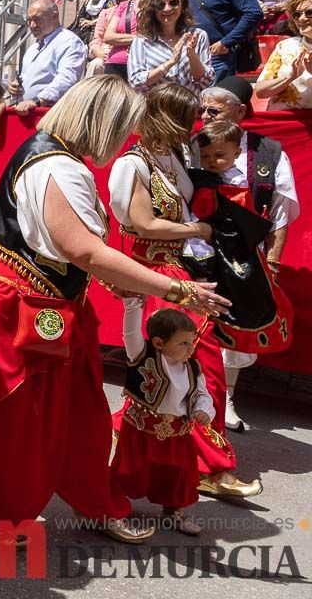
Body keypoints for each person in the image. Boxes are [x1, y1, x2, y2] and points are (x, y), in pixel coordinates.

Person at [0, 76, 227, 543]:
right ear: (103, 123)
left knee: (77, 408)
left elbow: (75, 252)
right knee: (17, 412)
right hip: (23, 303)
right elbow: (83, 250)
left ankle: (89, 500)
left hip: (39, 295)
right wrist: (177, 290)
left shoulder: (55, 154)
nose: (126, 139)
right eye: (123, 127)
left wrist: (120, 278)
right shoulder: (59, 165)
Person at [108, 83, 259, 498]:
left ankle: (195, 462)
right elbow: (144, 224)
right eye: (184, 116)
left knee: (184, 366)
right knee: (181, 362)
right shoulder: (133, 163)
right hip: (150, 270)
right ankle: (206, 466)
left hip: (178, 268)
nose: (192, 124)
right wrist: (200, 229)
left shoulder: (175, 155)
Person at [194, 80, 300, 431]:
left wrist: (272, 262)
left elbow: (280, 216)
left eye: (214, 110)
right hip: (197, 248)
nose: (205, 116)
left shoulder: (269, 153)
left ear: (240, 112)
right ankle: (191, 393)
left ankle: (226, 400)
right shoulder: (193, 145)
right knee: (196, 323)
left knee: (235, 328)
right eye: (203, 109)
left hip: (244, 256)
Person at [187, 120, 294, 358]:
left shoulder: (246, 176)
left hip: (242, 248)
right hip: (208, 247)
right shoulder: (200, 181)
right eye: (205, 156)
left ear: (237, 153)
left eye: (219, 155)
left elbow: (273, 212)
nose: (212, 161)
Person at [110, 305, 212, 536]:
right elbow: (131, 333)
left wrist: (204, 410)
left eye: (191, 341)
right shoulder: (142, 355)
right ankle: (111, 507)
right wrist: (133, 302)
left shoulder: (193, 368)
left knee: (179, 474)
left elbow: (203, 394)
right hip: (141, 429)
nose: (190, 348)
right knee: (129, 469)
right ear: (158, 343)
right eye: (183, 343)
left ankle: (173, 512)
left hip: (178, 432)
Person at [128, 0, 213, 93]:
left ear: (182, 5)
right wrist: (170, 63)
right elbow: (136, 82)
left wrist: (192, 56)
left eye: (173, 3)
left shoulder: (198, 36)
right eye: (160, 4)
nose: (167, 9)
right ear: (153, 9)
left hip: (188, 107)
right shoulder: (142, 40)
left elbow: (205, 82)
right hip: (154, 107)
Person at [8, 0, 86, 112]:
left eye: (37, 19)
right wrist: (16, 89)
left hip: (53, 115)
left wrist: (38, 100)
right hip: (29, 115)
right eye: (29, 20)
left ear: (54, 16)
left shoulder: (69, 41)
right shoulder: (32, 49)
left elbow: (67, 79)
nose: (32, 25)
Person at [255, 0, 312, 109]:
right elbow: (260, 92)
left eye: (309, 13)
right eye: (297, 14)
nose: (302, 18)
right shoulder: (286, 46)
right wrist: (289, 77)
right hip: (283, 121)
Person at [89, 0, 138, 75]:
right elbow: (96, 40)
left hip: (130, 56)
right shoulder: (107, 13)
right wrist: (100, 53)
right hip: (105, 54)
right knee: (96, 64)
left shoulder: (141, 11)